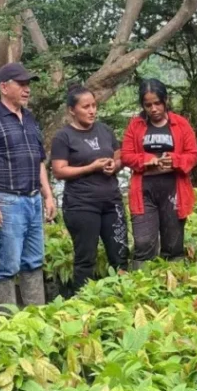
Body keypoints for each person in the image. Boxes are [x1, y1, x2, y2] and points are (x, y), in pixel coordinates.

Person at [0, 63, 56, 308]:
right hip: (7, 201)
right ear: (3, 87)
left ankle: (36, 319)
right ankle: (7, 327)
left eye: (28, 84)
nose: (27, 89)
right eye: (21, 84)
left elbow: (39, 160)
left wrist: (48, 196)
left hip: (33, 200)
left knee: (34, 262)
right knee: (7, 266)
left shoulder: (30, 118)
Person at [51, 84, 128, 295]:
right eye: (86, 107)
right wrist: (91, 167)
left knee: (120, 253)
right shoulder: (63, 137)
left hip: (111, 201)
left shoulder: (104, 130)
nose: (92, 110)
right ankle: (82, 303)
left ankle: (123, 297)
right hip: (81, 204)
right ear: (71, 110)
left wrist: (115, 165)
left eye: (94, 105)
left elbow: (120, 155)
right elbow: (59, 170)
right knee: (86, 257)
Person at [121, 79, 197, 267]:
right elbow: (126, 155)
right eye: (148, 105)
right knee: (143, 242)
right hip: (144, 189)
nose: (153, 109)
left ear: (165, 101)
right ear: (143, 105)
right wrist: (146, 160)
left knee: (173, 243)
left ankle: (174, 284)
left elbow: (193, 154)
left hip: (173, 188)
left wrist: (175, 160)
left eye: (157, 103)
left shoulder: (180, 124)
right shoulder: (136, 125)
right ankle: (141, 282)